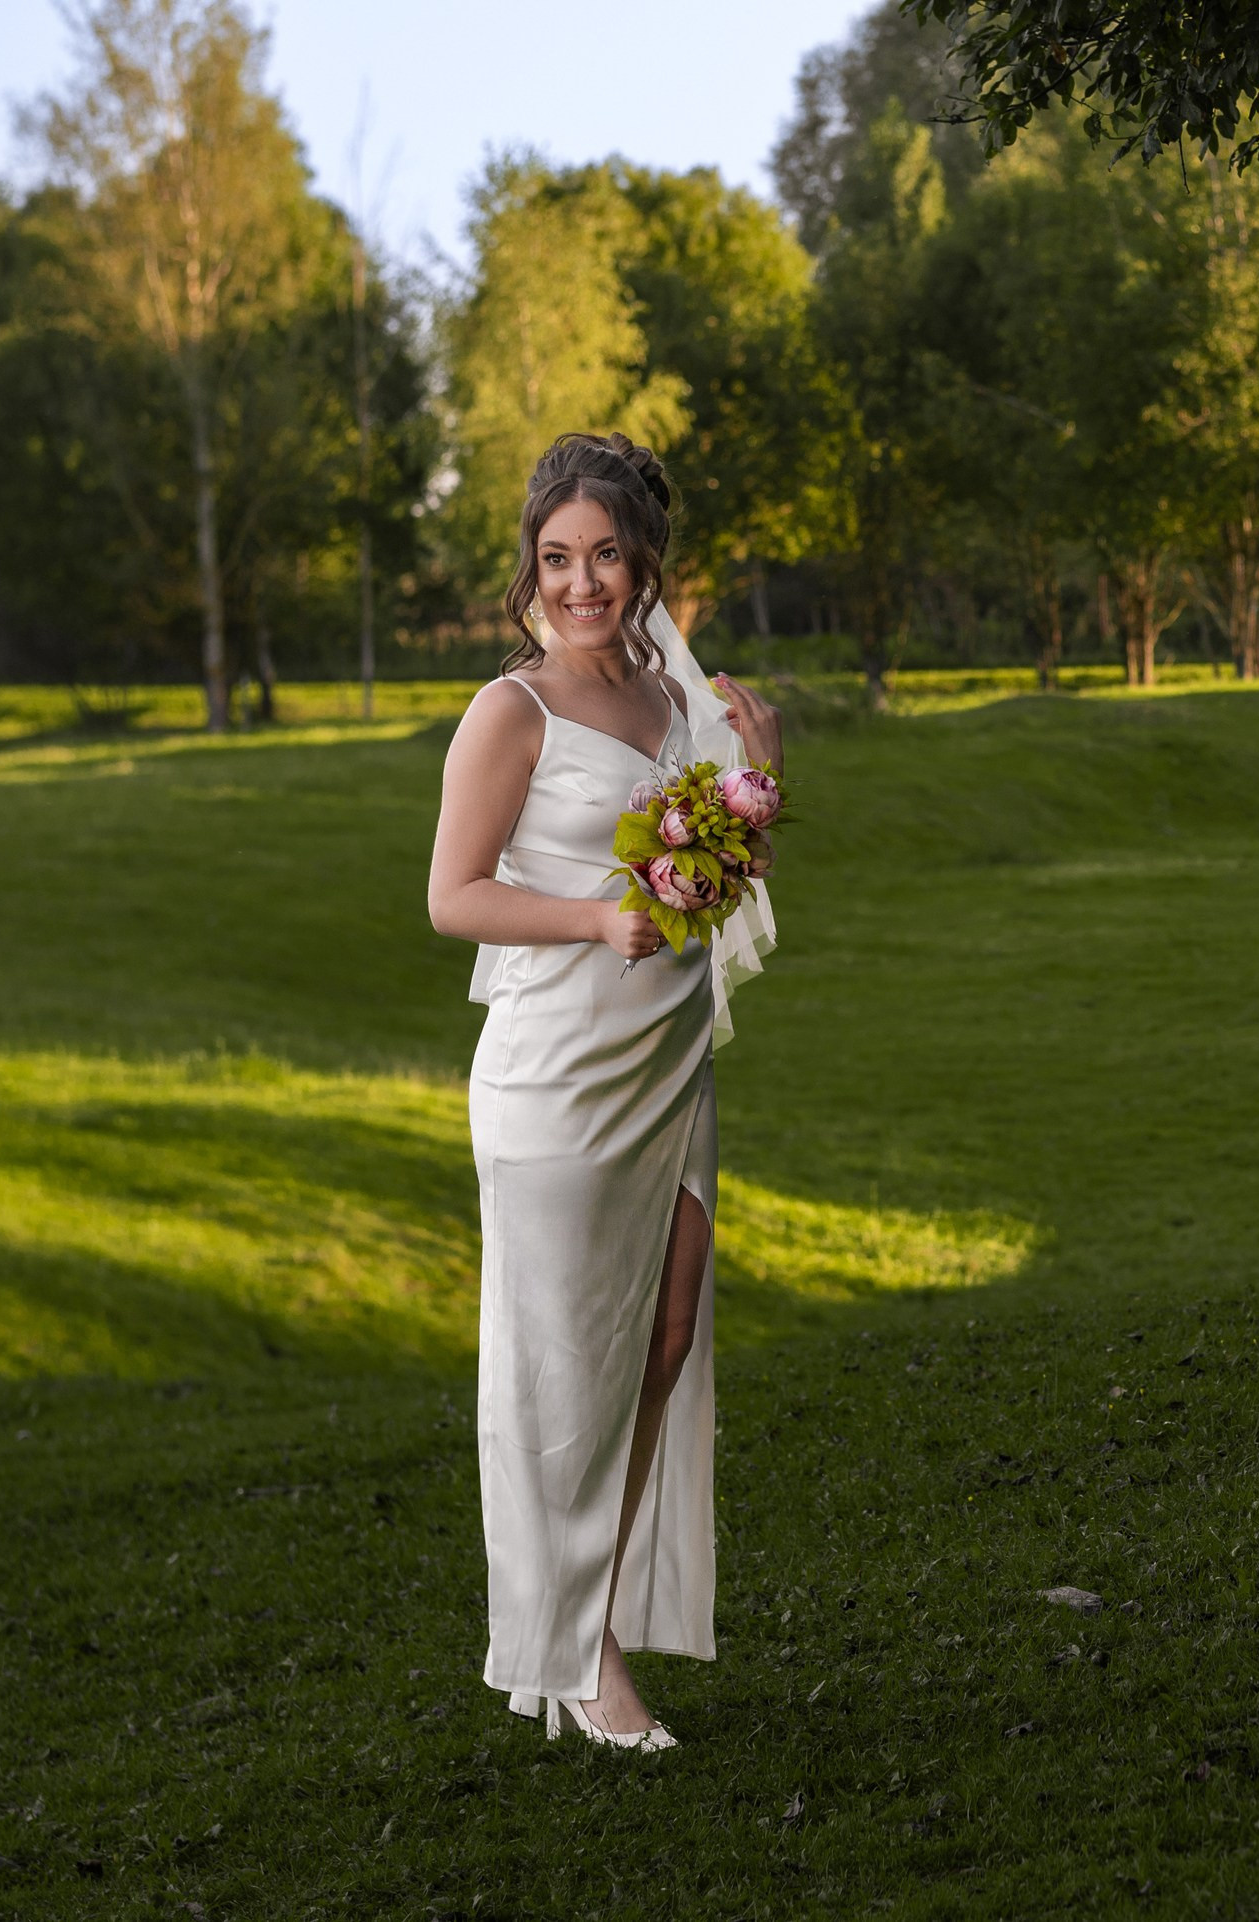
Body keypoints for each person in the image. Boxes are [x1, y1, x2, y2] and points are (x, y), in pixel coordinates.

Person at [426, 432, 780, 1748]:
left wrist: (764, 771)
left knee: (664, 1343)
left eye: (606, 555)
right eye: (557, 558)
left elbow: (716, 876)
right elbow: (452, 896)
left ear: (645, 563)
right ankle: (576, 1657)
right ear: (533, 564)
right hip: (554, 1084)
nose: (582, 583)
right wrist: (590, 917)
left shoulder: (681, 697)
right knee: (562, 1369)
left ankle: (586, 1617)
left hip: (669, 1075)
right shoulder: (510, 710)